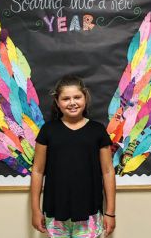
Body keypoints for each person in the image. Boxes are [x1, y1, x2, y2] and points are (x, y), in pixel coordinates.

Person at [30, 75, 116, 237]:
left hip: (90, 212)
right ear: (57, 102)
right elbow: (38, 171)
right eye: (66, 98)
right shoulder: (48, 131)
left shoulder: (97, 130)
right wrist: (35, 210)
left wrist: (110, 212)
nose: (72, 102)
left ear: (85, 97)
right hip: (55, 212)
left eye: (77, 97)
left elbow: (108, 171)